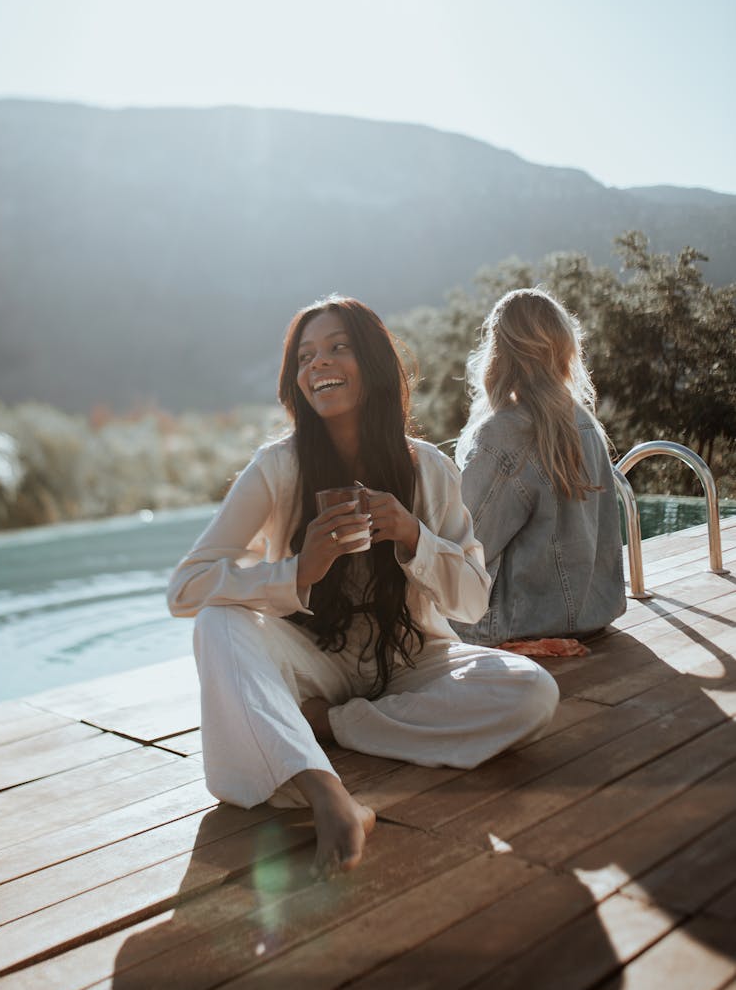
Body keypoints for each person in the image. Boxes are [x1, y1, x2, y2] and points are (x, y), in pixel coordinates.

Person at [167, 296, 559, 879]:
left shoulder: (428, 468)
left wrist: (412, 536)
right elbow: (187, 587)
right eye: (305, 355)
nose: (317, 363)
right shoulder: (277, 468)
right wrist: (298, 571)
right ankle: (327, 793)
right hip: (312, 660)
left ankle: (325, 725)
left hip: (411, 659)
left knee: (533, 693)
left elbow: (473, 599)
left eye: (336, 347)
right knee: (217, 621)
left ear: (373, 363)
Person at [453, 287, 626, 650]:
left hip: (515, 623)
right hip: (592, 614)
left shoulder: (503, 433)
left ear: (499, 354)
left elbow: (465, 544)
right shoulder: (584, 422)